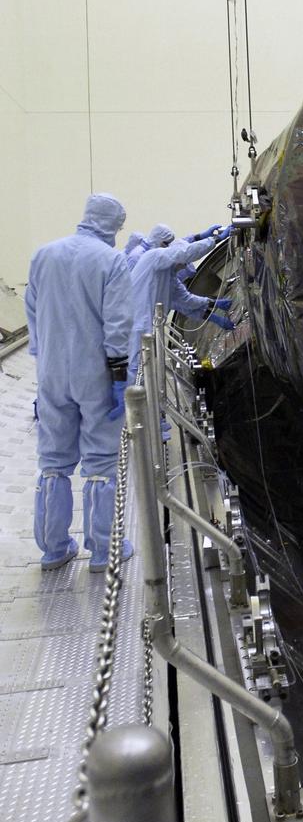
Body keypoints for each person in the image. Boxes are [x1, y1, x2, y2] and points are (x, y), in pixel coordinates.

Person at [25, 194, 134, 571]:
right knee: (102, 461)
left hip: (52, 372)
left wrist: (44, 361)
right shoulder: (111, 261)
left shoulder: (44, 255)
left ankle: (54, 549)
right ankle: (104, 550)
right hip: (97, 374)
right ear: (112, 225)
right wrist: (120, 376)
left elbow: (33, 314)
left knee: (53, 461)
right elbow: (118, 324)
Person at [127, 228, 235, 383]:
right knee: (137, 369)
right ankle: (133, 404)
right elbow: (184, 252)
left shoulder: (170, 279)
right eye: (183, 264)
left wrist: (213, 305)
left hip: (147, 326)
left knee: (145, 369)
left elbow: (187, 301)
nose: (183, 267)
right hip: (137, 324)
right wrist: (215, 240)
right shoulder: (154, 256)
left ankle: (141, 399)